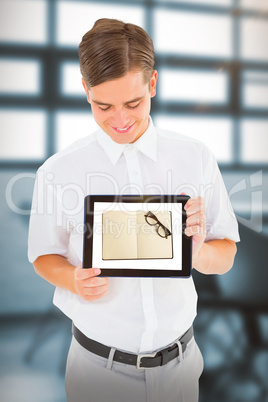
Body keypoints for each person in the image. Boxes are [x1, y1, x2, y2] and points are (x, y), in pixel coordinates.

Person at [28, 18, 240, 402]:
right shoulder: (59, 171)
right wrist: (73, 279)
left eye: (134, 103)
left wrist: (199, 250)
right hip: (97, 374)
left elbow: (224, 255)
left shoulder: (195, 157)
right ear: (85, 91)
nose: (121, 120)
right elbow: (43, 255)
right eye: (103, 106)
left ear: (153, 84)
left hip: (180, 370)